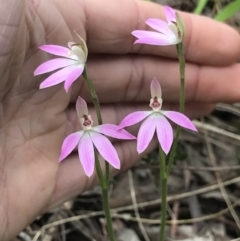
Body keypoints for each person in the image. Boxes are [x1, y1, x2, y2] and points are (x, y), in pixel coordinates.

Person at [0, 0, 239, 240]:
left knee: (163, 146)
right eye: (153, 100)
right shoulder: (79, 109)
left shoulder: (169, 115)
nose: (155, 102)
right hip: (77, 83)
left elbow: (171, 125)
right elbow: (91, 138)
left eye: (156, 100)